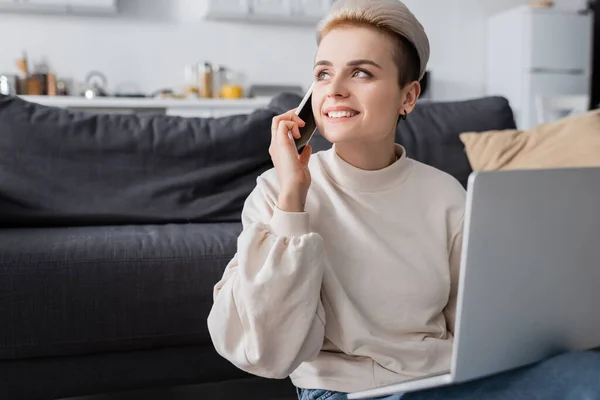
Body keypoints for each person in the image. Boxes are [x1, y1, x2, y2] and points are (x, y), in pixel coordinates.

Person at [207, 1, 600, 399]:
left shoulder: (446, 193)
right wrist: (293, 200)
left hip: (442, 381)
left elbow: (475, 327)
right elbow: (269, 354)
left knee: (586, 374)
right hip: (345, 392)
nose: (335, 89)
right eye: (323, 73)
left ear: (408, 97)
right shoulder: (278, 190)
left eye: (361, 72)